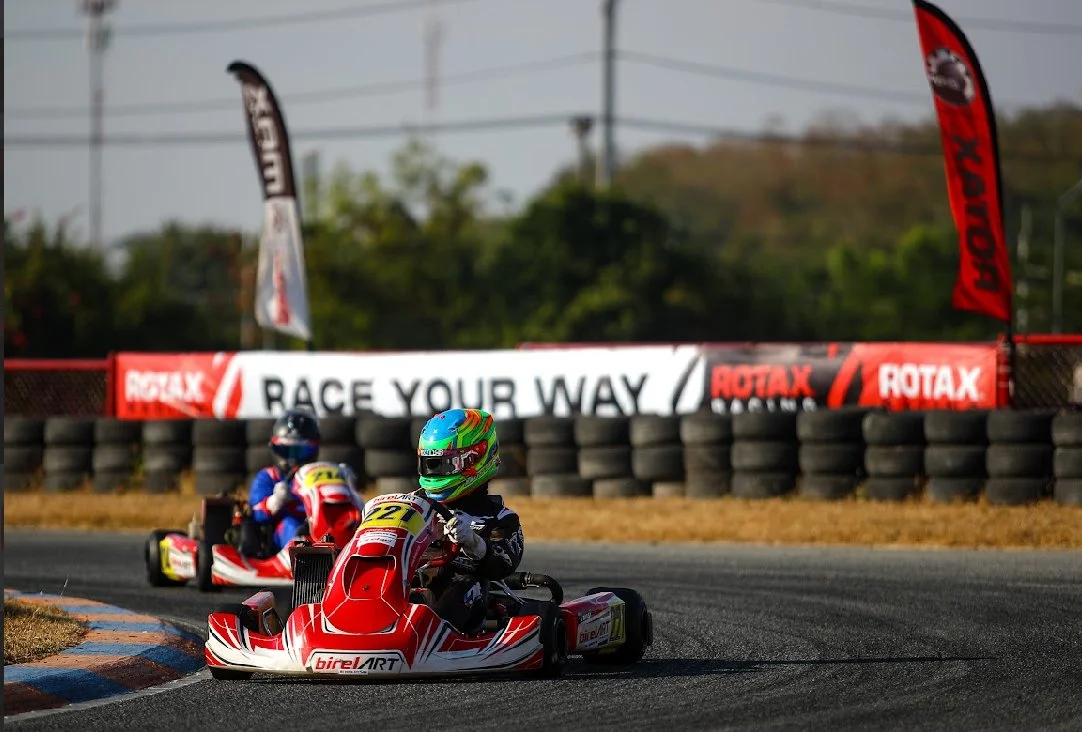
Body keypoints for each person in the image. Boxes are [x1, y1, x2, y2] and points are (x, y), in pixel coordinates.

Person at [413, 407, 525, 635]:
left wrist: (474, 543)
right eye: (430, 465)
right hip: (406, 586)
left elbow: (501, 566)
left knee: (466, 583)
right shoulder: (412, 505)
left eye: (445, 464)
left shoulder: (500, 519)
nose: (435, 474)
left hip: (461, 599)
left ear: (476, 459)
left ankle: (428, 636)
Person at [248, 408, 323, 554]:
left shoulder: (320, 476)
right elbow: (255, 514)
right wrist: (273, 502)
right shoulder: (269, 477)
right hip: (281, 536)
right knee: (292, 524)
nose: (294, 459)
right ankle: (304, 556)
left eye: (301, 452)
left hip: (321, 527)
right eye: (288, 451)